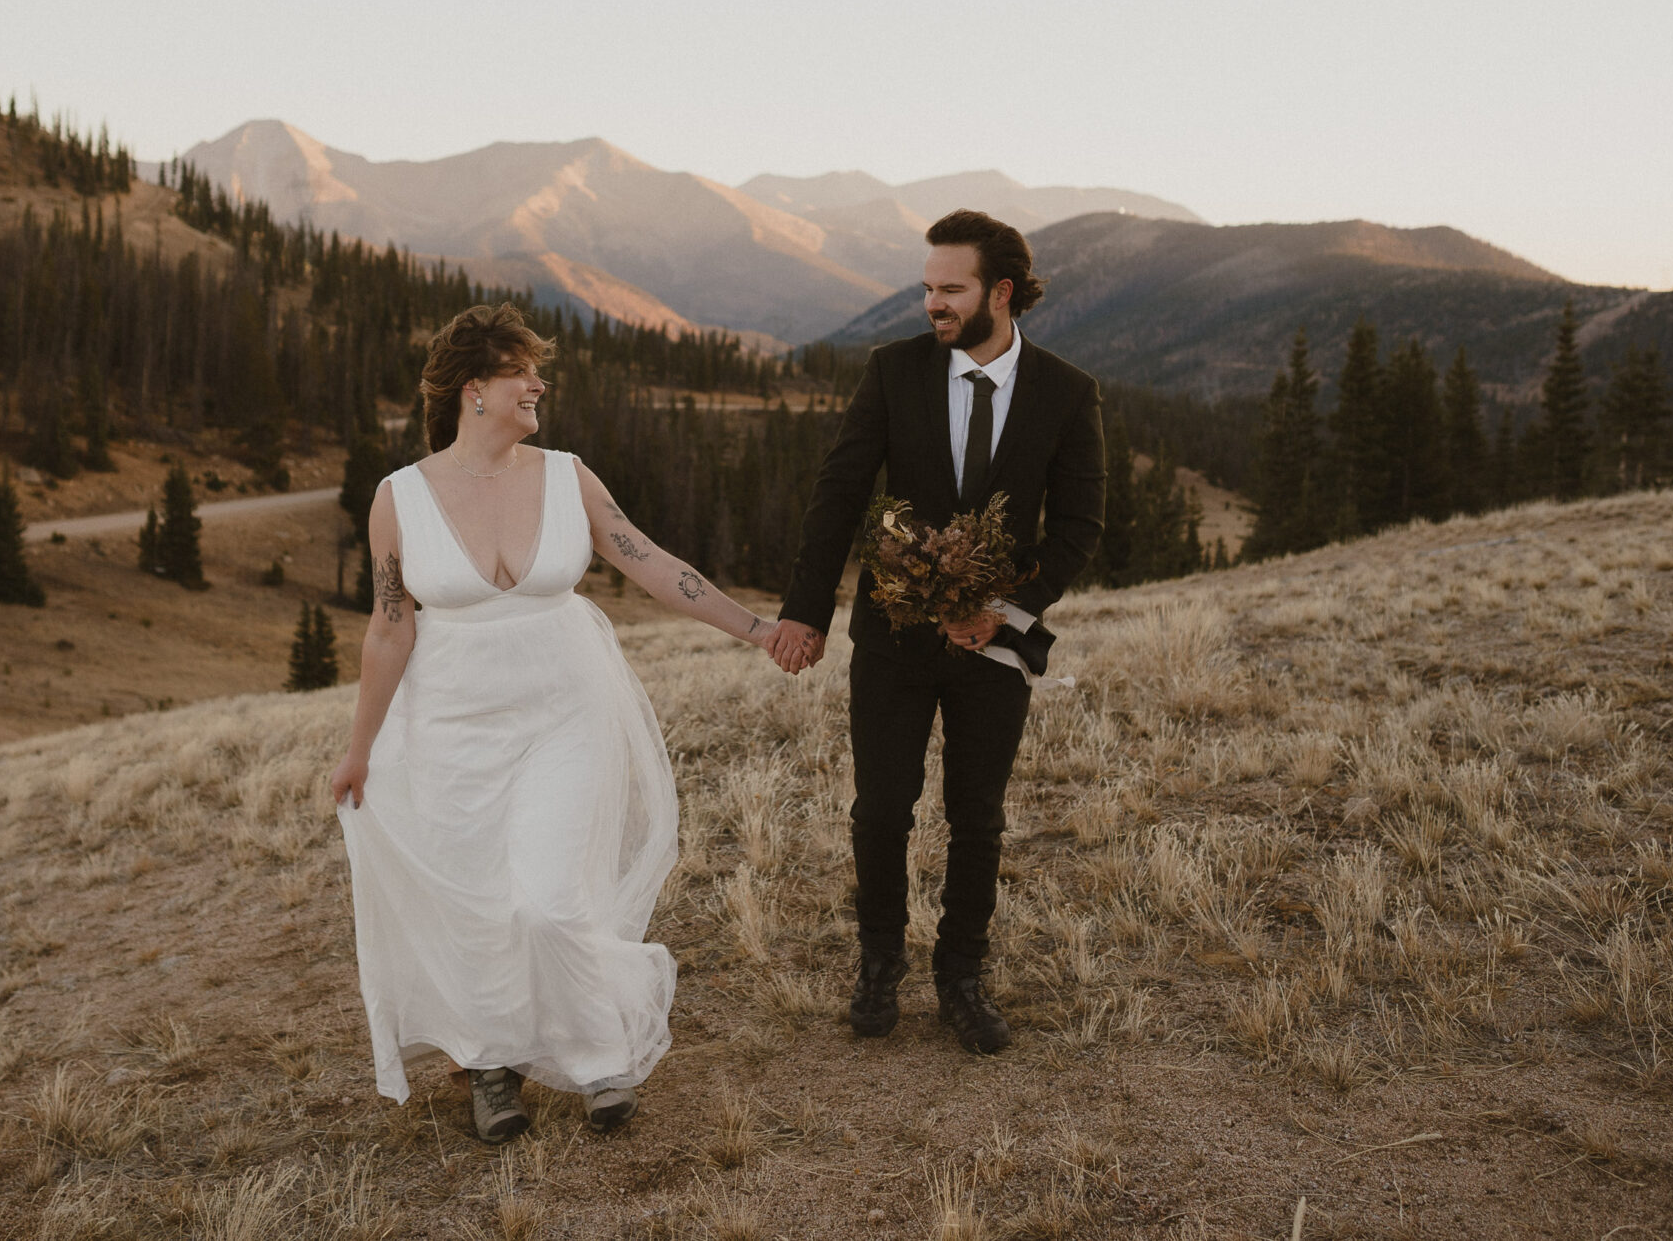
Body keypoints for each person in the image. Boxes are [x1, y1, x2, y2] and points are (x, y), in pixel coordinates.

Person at [332, 303, 780, 1142]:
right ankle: (490, 1065)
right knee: (477, 904)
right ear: (475, 389)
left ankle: (599, 1051)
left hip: (565, 710)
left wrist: (754, 628)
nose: (538, 384)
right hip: (451, 725)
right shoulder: (400, 498)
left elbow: (649, 562)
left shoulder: (568, 474)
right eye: (521, 372)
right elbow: (390, 627)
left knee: (548, 898)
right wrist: (359, 749)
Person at [765, 210, 1104, 1054]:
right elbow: (839, 491)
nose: (931, 304)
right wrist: (806, 611)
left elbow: (1078, 525)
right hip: (889, 639)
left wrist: (1006, 612)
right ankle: (879, 961)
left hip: (993, 647)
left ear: (1001, 292)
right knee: (882, 810)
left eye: (948, 289)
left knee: (978, 816)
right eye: (926, 288)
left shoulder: (1067, 391)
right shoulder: (894, 372)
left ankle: (963, 975)